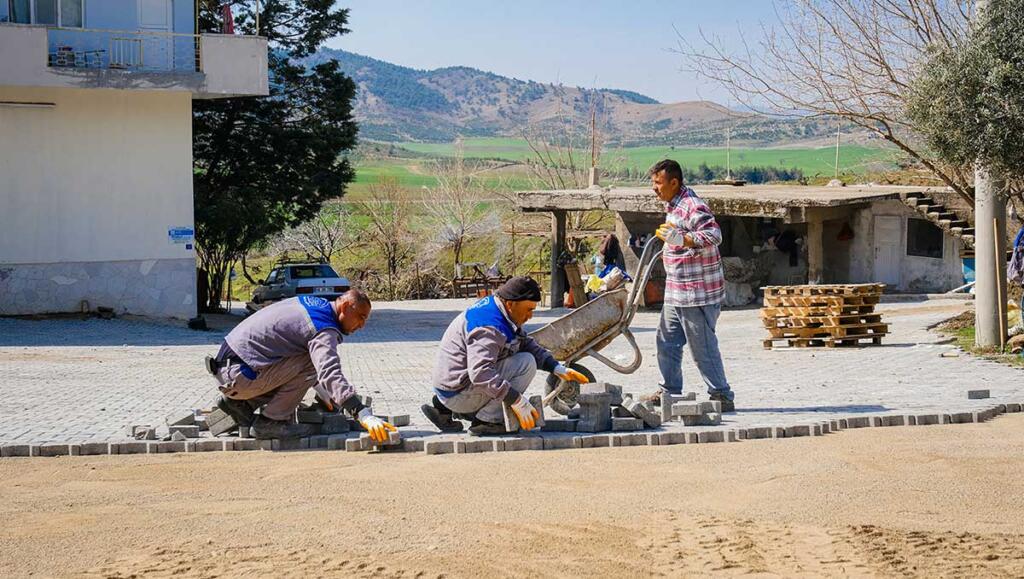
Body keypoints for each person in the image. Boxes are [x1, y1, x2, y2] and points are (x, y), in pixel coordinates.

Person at [205, 290, 396, 441]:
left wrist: (326, 395)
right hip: (240, 375)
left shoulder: (314, 304)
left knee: (307, 359)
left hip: (231, 369)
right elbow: (328, 371)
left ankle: (242, 404)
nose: (362, 325)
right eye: (361, 317)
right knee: (310, 362)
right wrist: (362, 413)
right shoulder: (323, 327)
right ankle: (270, 422)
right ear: (345, 306)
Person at [424, 276, 590, 435]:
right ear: (511, 304)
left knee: (517, 354)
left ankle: (445, 409)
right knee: (526, 363)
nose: (530, 316)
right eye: (528, 309)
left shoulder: (498, 309)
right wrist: (516, 400)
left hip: (450, 386)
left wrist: (555, 367)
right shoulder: (490, 327)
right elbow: (480, 373)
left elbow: (523, 342)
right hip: (457, 392)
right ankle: (488, 421)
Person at [642, 159, 735, 412]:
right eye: (653, 183)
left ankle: (721, 394)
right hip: (676, 289)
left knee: (701, 347)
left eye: (658, 183)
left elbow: (714, 235)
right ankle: (669, 391)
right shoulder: (673, 205)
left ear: (674, 182)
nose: (655, 189)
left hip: (697, 292)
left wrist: (683, 239)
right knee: (666, 341)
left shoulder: (693, 205)